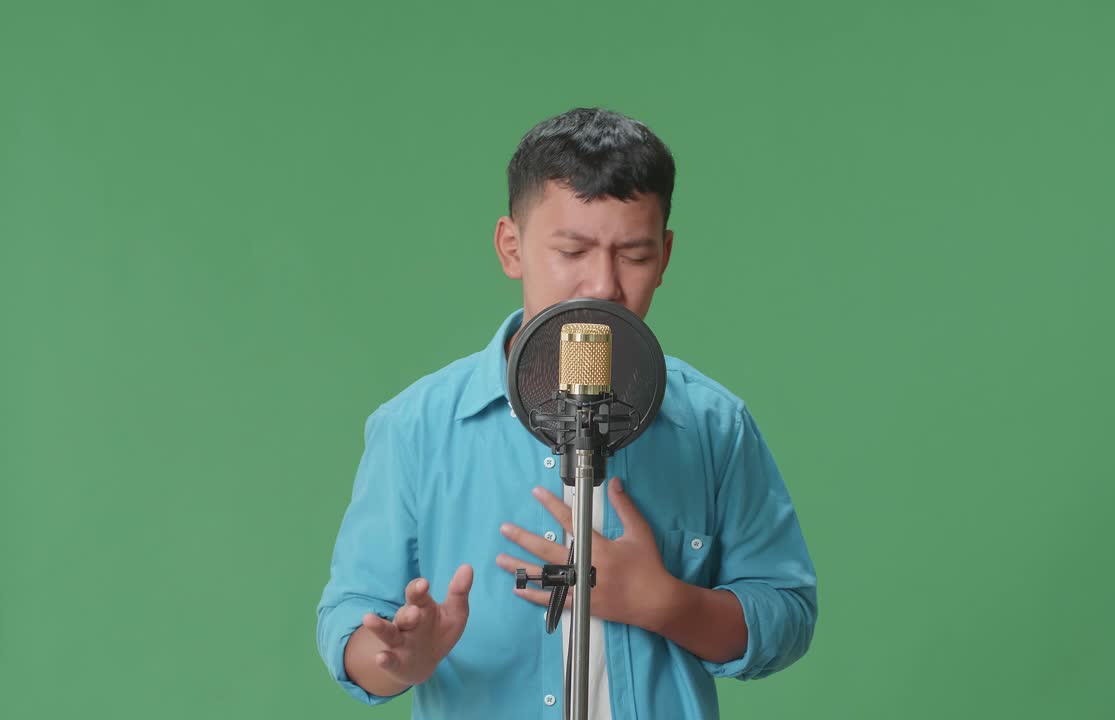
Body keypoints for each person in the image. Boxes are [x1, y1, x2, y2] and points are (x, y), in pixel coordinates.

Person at [316, 107, 817, 719]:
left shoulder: (714, 426)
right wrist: (396, 658)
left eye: (632, 255)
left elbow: (786, 611)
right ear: (512, 246)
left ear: (664, 256)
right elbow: (350, 619)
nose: (602, 284)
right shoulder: (416, 427)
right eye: (573, 250)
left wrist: (664, 603)